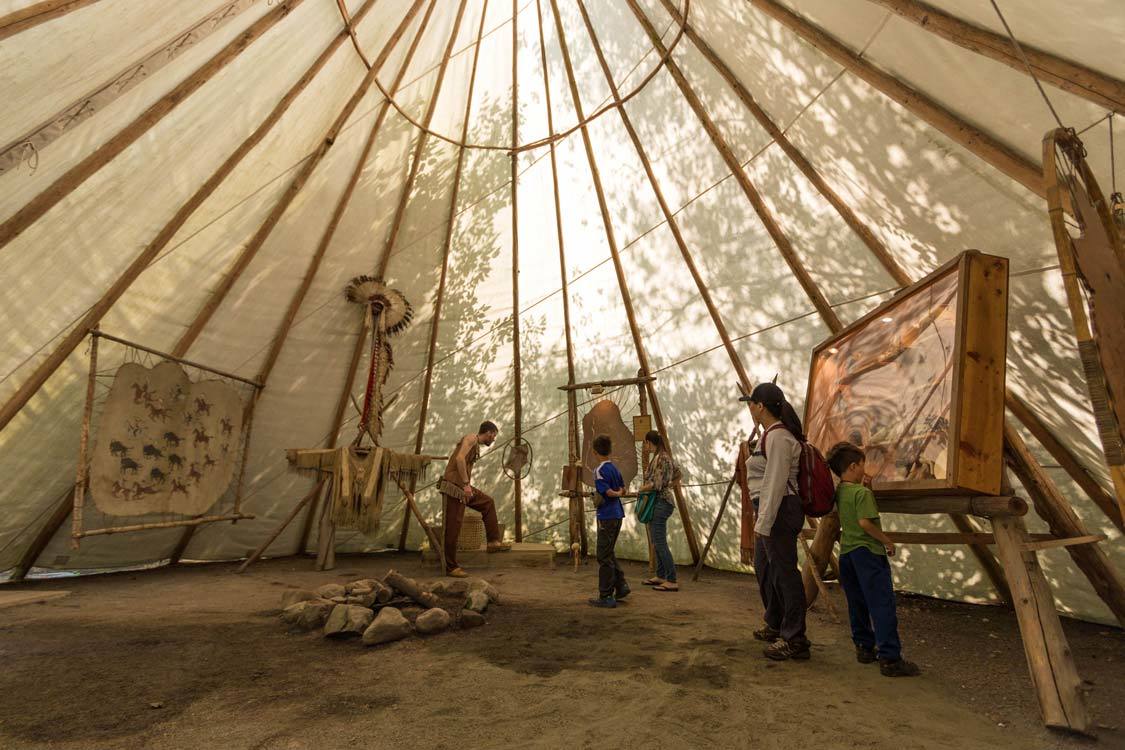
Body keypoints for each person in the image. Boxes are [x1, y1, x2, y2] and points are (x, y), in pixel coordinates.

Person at [826, 441, 921, 677]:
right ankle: (890, 658)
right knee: (881, 604)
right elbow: (865, 522)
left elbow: (853, 512)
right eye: (862, 465)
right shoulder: (862, 493)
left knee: (857, 602)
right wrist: (887, 541)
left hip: (847, 553)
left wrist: (867, 489)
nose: (864, 469)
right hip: (868, 552)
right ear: (852, 466)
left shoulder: (841, 491)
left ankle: (863, 647)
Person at [739, 382, 810, 660]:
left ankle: (795, 639)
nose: (750, 408)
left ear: (760, 407)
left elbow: (775, 483)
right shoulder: (770, 435)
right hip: (771, 509)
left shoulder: (779, 437)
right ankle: (776, 623)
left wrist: (764, 522)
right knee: (765, 568)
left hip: (780, 508)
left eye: (751, 404)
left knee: (784, 573)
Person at [438, 421, 511, 578]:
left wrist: (466, 486)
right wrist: (466, 485)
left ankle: (493, 542)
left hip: (463, 488)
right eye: (494, 436)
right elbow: (459, 459)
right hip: (454, 488)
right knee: (453, 527)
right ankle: (451, 567)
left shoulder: (476, 444)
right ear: (489, 433)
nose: (494, 439)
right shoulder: (471, 438)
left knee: (487, 503)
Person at [589, 434, 629, 608]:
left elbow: (609, 493)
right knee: (609, 551)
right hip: (618, 514)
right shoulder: (614, 468)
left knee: (603, 555)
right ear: (610, 450)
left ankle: (606, 595)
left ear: (595, 452)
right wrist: (620, 492)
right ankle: (621, 586)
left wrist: (616, 493)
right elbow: (624, 489)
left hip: (606, 516)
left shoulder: (599, 471)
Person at [639, 430, 679, 591]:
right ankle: (661, 575)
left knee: (660, 542)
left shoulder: (661, 458)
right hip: (661, 502)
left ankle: (672, 579)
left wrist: (642, 488)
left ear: (649, 442)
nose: (645, 447)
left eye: (645, 443)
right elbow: (678, 474)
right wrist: (669, 484)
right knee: (656, 540)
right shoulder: (662, 456)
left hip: (661, 502)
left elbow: (656, 484)